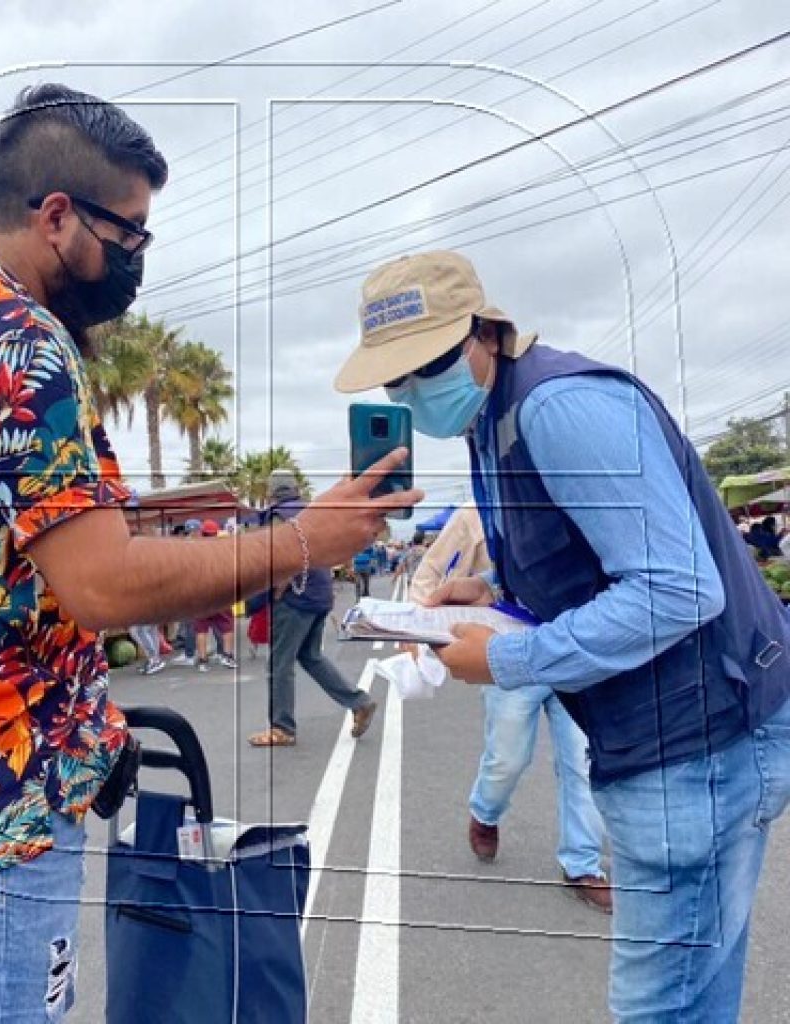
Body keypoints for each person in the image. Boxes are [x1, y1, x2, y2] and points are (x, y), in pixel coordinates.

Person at [0, 84, 421, 1024]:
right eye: (129, 235)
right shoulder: (17, 340)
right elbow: (104, 584)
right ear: (56, 216)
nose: (136, 260)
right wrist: (302, 540)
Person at [335, 249, 790, 1023]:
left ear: (486, 333)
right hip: (673, 736)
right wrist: (494, 598)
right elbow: (593, 567)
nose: (412, 389)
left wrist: (508, 655)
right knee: (694, 991)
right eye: (395, 378)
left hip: (700, 740)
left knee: (660, 1007)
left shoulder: (557, 408)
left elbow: (679, 589)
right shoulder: (492, 425)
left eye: (428, 364)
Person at [410, 506, 610, 912]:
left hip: (576, 650)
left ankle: (582, 865)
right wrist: (414, 627)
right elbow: (429, 574)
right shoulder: (477, 510)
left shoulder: (583, 497)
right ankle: (485, 812)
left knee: (582, 762)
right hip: (512, 650)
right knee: (508, 758)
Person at [247, 471, 378, 747]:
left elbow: (279, 556)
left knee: (280, 663)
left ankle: (282, 728)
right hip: (319, 593)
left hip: (294, 596)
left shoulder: (279, 516)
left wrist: (277, 585)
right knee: (310, 656)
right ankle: (359, 702)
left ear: (271, 492)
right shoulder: (310, 513)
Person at [192, 519, 238, 672]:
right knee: (227, 626)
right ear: (216, 533)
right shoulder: (223, 550)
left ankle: (202, 660)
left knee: (201, 628)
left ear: (202, 532)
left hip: (201, 593)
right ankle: (228, 656)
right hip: (220, 592)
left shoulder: (195, 550)